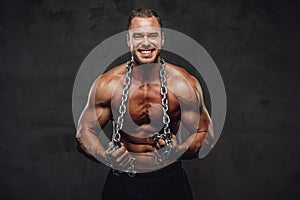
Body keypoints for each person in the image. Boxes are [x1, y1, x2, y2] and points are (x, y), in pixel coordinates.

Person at [76, 8, 213, 200]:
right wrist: (105, 155)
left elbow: (205, 134)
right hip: (123, 182)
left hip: (169, 181)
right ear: (128, 40)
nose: (146, 43)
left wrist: (178, 150)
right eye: (138, 36)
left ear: (162, 39)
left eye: (152, 35)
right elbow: (84, 132)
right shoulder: (108, 84)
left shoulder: (183, 84)